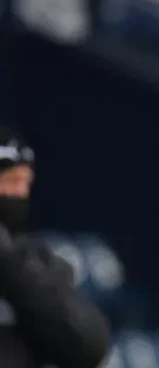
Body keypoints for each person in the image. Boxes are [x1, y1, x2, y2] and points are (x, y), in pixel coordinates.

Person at [0, 125, 111, 368]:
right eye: (11, 181)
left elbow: (88, 344)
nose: (20, 192)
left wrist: (9, 263)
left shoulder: (31, 258)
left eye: (26, 183)